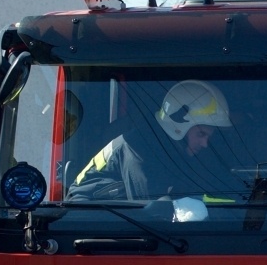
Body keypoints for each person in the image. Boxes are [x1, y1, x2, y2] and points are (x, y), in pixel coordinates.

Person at [70, 80, 237, 201]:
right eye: (201, 134)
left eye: (209, 136)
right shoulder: (139, 149)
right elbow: (151, 211)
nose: (205, 144)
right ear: (178, 126)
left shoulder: (170, 149)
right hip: (88, 218)